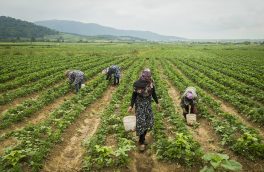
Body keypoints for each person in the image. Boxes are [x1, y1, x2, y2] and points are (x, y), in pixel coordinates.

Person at [128, 68, 160, 151]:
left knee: (148, 122)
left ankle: (142, 139)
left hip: (148, 106)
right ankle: (141, 142)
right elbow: (134, 95)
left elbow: (153, 93)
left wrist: (157, 103)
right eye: (147, 76)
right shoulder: (137, 84)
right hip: (140, 106)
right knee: (141, 123)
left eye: (149, 76)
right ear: (143, 76)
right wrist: (131, 105)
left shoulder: (151, 83)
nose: (148, 78)